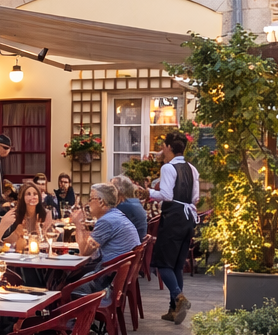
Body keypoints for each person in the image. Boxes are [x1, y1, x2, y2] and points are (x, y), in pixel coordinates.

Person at [148, 131, 200, 324]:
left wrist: (148, 191)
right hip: (188, 219)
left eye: (163, 146)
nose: (162, 149)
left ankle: (179, 297)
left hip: (173, 218)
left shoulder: (168, 168)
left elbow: (167, 195)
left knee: (162, 264)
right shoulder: (192, 169)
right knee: (177, 265)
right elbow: (195, 198)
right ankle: (173, 310)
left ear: (169, 147)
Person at [70, 183, 142, 305]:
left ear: (101, 202)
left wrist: (78, 224)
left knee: (69, 288)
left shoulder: (106, 221)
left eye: (91, 199)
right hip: (115, 276)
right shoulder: (115, 215)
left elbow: (84, 253)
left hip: (107, 281)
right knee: (74, 276)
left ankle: (75, 322)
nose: (88, 203)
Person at [111, 175, 149, 241]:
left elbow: (107, 223)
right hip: (137, 245)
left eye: (111, 189)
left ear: (118, 191)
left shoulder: (123, 206)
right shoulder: (134, 202)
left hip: (128, 247)